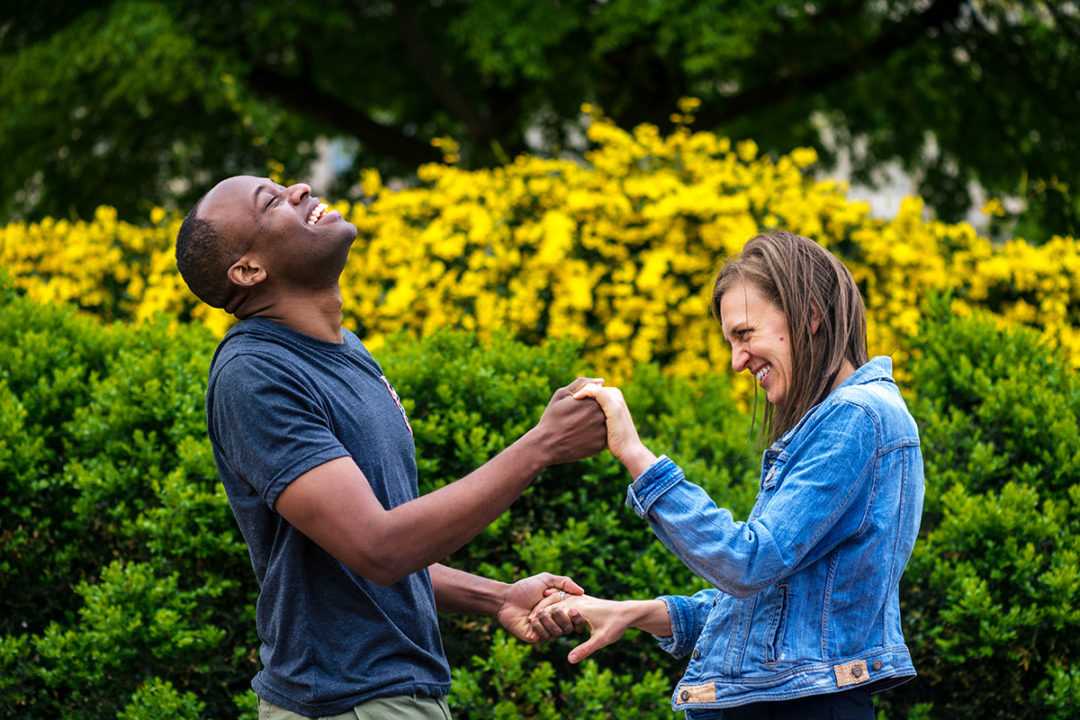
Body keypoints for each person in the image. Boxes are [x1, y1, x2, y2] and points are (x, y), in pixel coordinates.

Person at [174, 176, 605, 719]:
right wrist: (543, 445)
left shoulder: (345, 350)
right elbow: (379, 547)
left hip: (393, 695)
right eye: (271, 201)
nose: (300, 189)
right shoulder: (255, 375)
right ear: (248, 271)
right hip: (344, 702)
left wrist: (496, 597)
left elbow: (348, 551)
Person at [531, 230, 925, 720]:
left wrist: (634, 454)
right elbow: (770, 604)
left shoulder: (856, 417)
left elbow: (748, 563)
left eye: (744, 335)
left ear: (809, 316)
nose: (738, 361)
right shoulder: (850, 417)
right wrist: (633, 612)